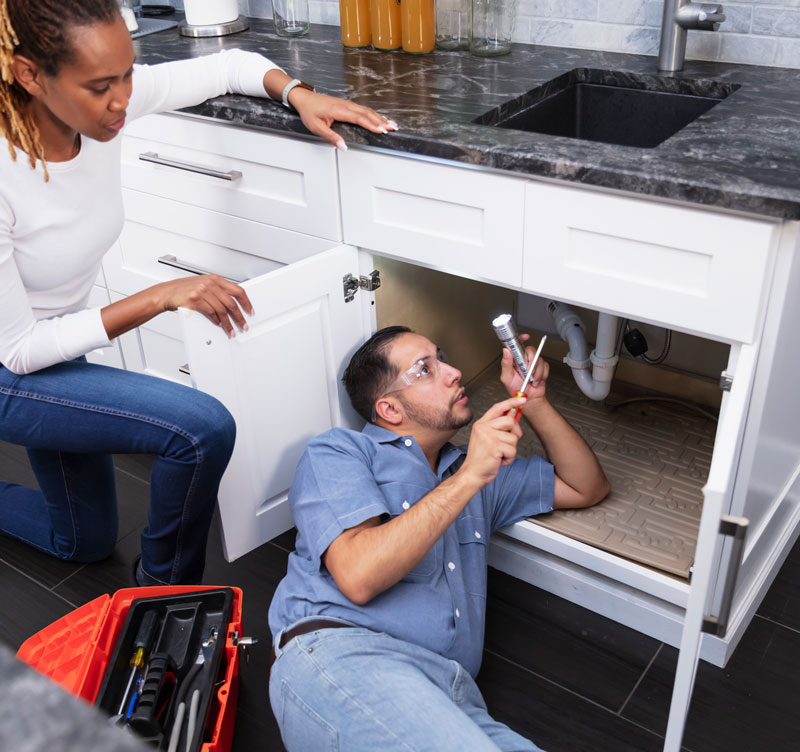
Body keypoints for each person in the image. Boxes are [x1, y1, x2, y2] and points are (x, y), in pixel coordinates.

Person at [0, 0, 397, 585]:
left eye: (129, 74)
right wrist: (161, 296)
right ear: (30, 74)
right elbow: (19, 351)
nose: (123, 100)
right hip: (13, 369)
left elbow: (227, 65)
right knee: (200, 427)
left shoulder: (99, 109)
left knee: (80, 541)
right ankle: (162, 594)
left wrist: (298, 93)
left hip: (56, 344)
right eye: (102, 85)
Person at [267, 325, 611, 751]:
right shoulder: (340, 452)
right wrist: (470, 477)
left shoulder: (475, 470)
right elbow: (358, 575)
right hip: (346, 657)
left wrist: (534, 403)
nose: (454, 372)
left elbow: (585, 486)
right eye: (425, 369)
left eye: (442, 358)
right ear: (389, 409)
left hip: (456, 697)